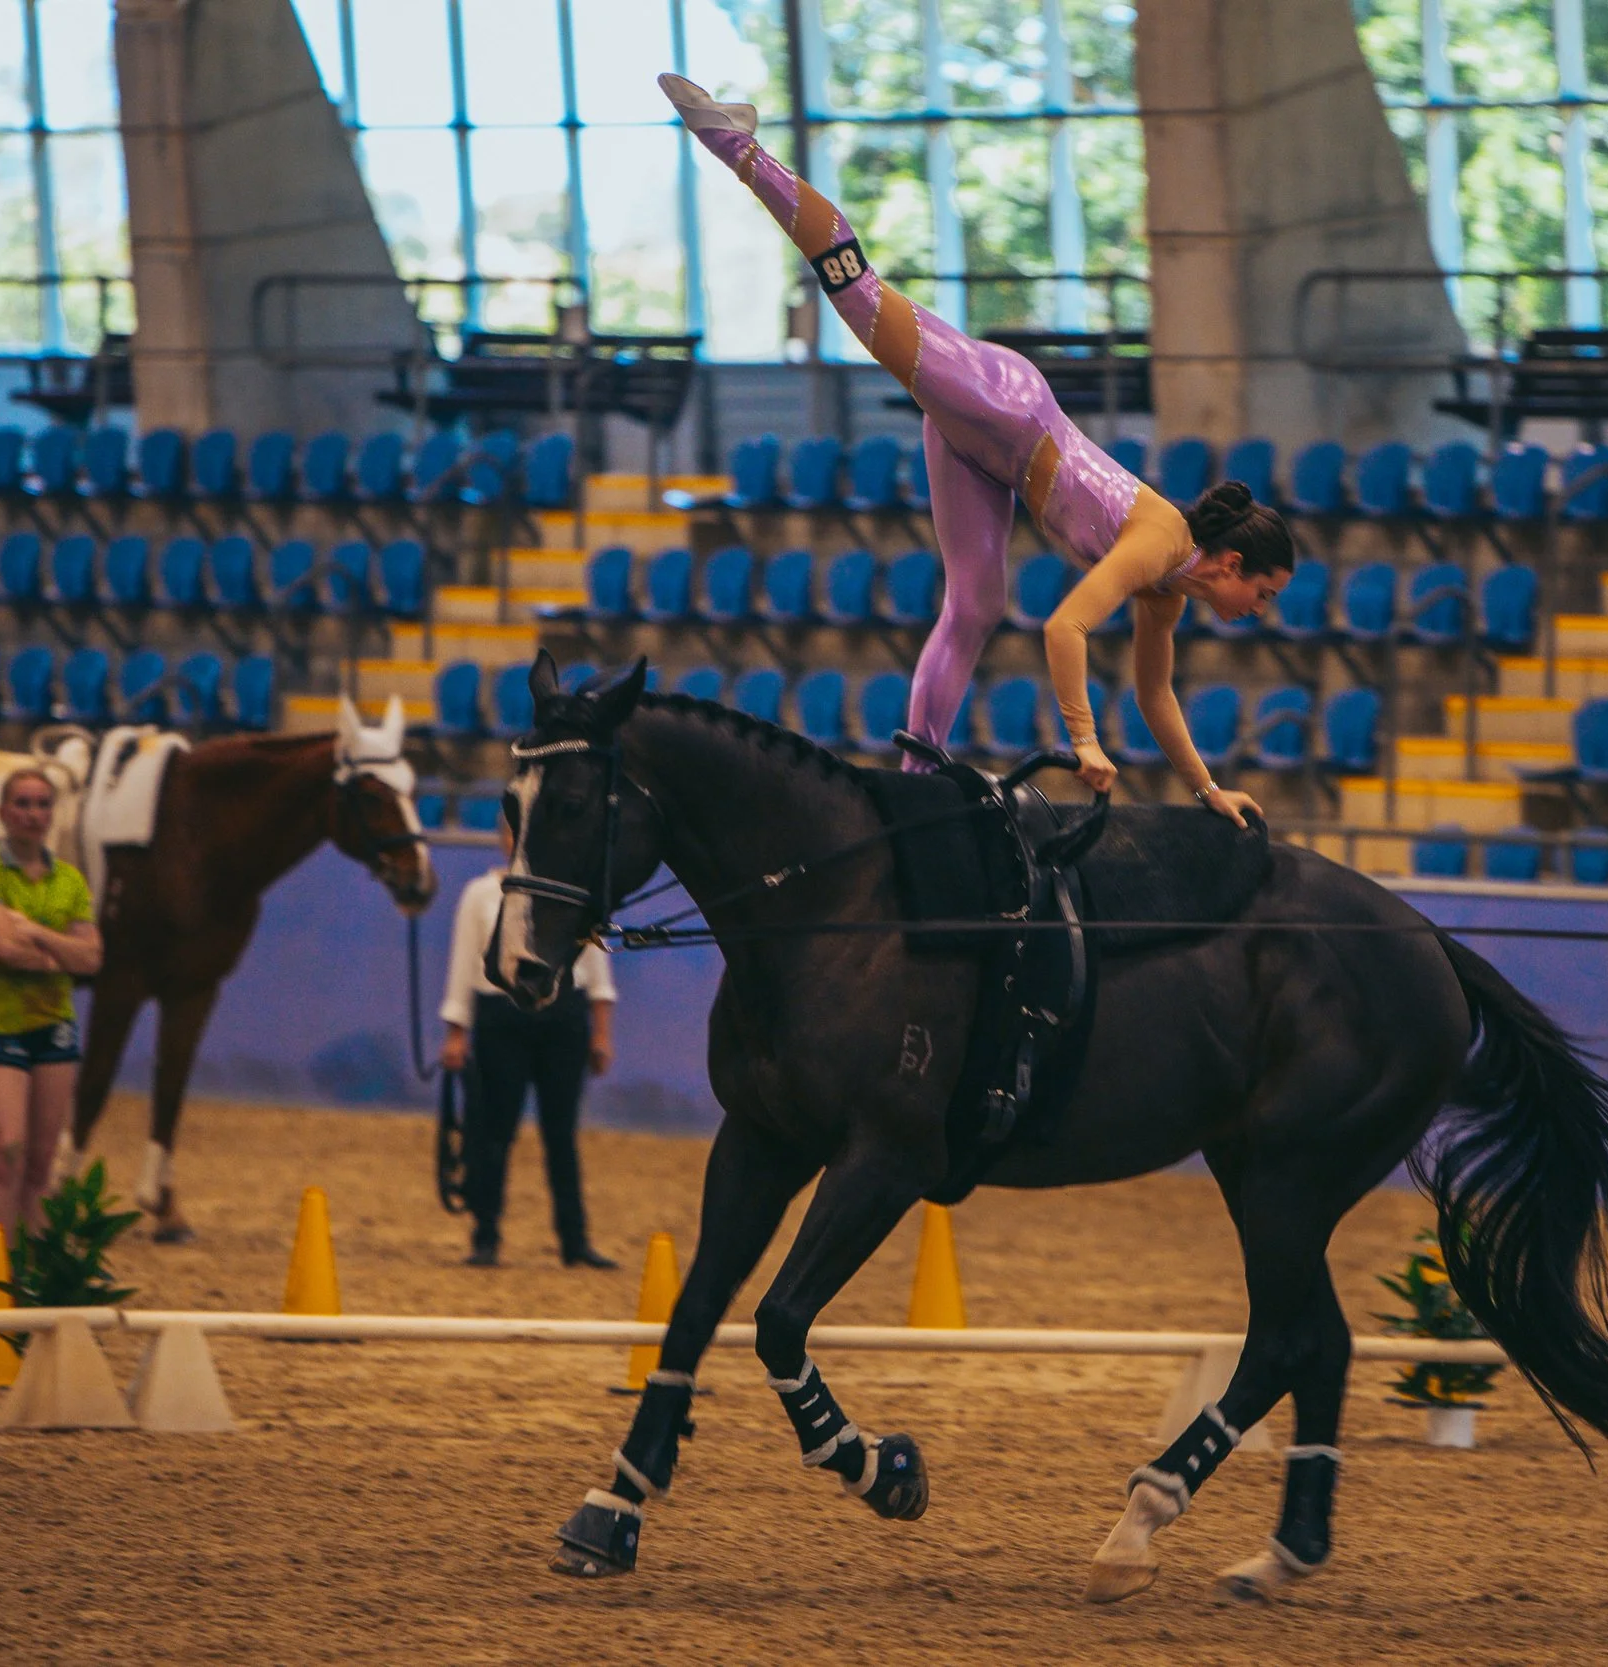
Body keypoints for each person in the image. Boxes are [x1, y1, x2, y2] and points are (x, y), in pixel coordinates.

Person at [660, 72, 1295, 825]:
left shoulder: (1166, 596)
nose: (1261, 609)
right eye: (1263, 592)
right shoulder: (1158, 542)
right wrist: (1084, 741)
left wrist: (1206, 789)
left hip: (988, 458)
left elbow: (1156, 696)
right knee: (857, 291)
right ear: (1231, 564)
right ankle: (735, 141)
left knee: (977, 604)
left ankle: (917, 770)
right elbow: (1067, 626)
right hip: (1006, 405)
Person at [440, 817, 618, 1269]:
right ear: (501, 838)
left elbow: (594, 964)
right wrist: (456, 1032)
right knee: (493, 1130)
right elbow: (464, 964)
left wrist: (600, 1030)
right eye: (511, 833)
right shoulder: (480, 894)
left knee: (561, 1134)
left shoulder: (570, 891)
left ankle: (574, 1241)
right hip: (501, 1018)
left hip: (563, 1017)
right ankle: (485, 1234)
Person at [0, 768, 101, 1248]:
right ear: (2, 813)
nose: (34, 814)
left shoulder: (70, 880)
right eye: (23, 803)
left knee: (40, 1165)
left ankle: (33, 1283)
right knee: (5, 1155)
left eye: (43, 804)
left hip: (53, 1025)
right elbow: (0, 945)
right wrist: (60, 954)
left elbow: (92, 957)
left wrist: (37, 934)